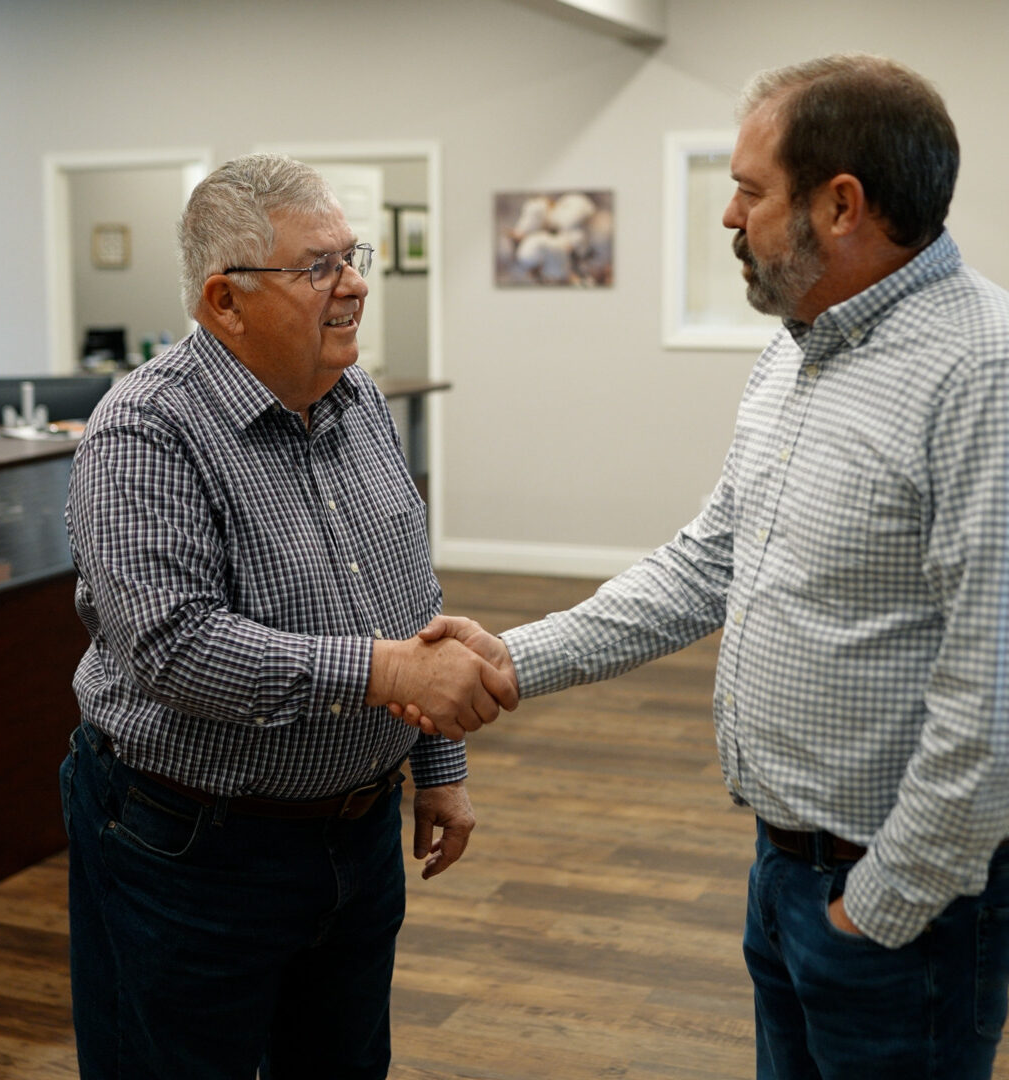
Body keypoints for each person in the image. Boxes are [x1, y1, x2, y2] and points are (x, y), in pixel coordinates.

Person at [404, 54, 1009, 1078]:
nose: (730, 216)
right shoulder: (795, 352)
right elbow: (709, 562)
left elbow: (993, 693)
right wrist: (513, 655)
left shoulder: (980, 373)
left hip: (902, 910)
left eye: (751, 190)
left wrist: (887, 903)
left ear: (843, 203)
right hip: (786, 868)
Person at [59, 153, 516, 1080]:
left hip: (355, 840)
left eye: (354, 257)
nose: (352, 286)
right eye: (319, 267)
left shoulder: (358, 403)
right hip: (189, 849)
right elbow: (174, 647)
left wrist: (438, 767)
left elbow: (408, 601)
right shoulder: (142, 433)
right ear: (224, 302)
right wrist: (387, 674)